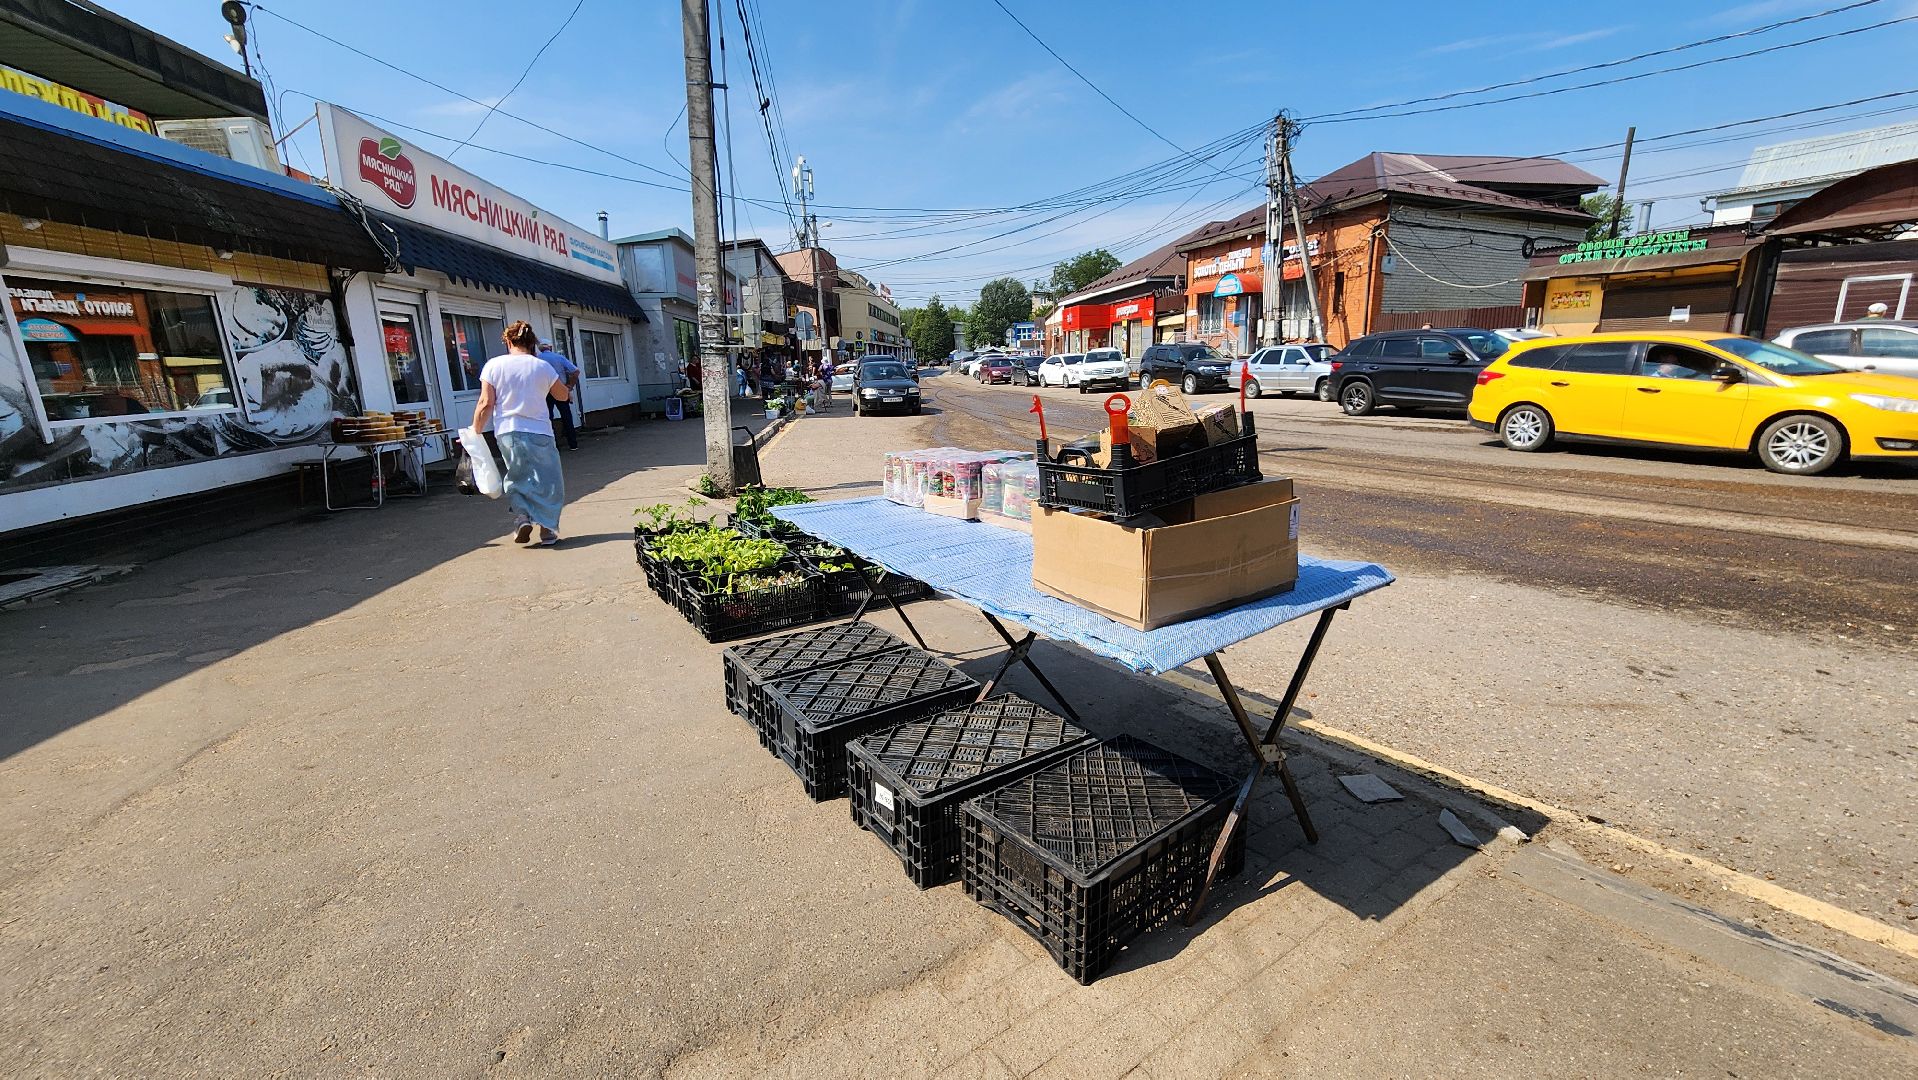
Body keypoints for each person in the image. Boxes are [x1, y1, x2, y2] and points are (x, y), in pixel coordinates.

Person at [471, 320, 568, 547]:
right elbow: (562, 395)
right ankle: (547, 529)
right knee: (549, 480)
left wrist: (474, 432)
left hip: (507, 432)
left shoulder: (493, 366)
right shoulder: (541, 366)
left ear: (507, 341)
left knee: (517, 476)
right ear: (532, 342)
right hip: (539, 431)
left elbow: (485, 402)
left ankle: (522, 516)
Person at [537, 340, 581, 451]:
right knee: (566, 416)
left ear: (540, 348)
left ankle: (553, 446)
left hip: (545, 392)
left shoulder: (537, 359)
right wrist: (569, 386)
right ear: (550, 347)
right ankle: (573, 444)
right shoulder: (559, 358)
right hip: (561, 390)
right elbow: (576, 371)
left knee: (548, 418)